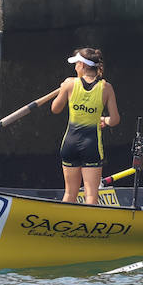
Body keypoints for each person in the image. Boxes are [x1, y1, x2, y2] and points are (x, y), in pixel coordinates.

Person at [51, 47, 120, 204]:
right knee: (91, 195)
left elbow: (55, 109)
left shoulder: (69, 84)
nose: (75, 67)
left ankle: (63, 225)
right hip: (91, 145)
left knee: (69, 193)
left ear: (81, 65)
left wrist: (63, 89)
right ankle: (89, 226)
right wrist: (104, 120)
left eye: (76, 64)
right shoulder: (106, 88)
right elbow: (115, 120)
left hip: (69, 144)